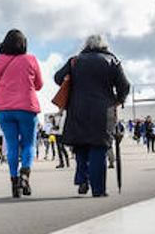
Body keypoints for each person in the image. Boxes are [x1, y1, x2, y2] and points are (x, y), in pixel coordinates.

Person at [55, 35, 130, 197]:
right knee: (98, 148)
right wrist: (118, 100)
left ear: (86, 45)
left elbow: (57, 78)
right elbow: (125, 85)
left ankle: (82, 179)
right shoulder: (112, 61)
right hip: (103, 111)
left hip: (77, 109)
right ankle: (98, 189)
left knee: (81, 146)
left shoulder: (75, 61)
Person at [0, 29, 43, 198]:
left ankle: (14, 183)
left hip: (4, 109)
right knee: (28, 144)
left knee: (11, 145)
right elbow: (39, 84)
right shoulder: (30, 59)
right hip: (27, 107)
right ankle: (25, 175)